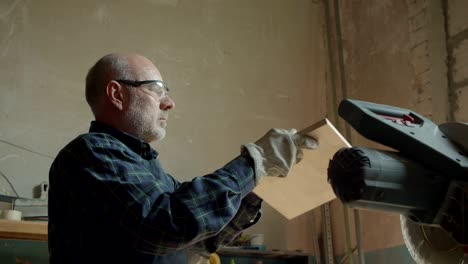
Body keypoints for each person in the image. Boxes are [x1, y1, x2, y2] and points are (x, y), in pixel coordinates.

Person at [48, 53, 318, 264]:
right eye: (156, 90)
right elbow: (167, 225)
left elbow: (201, 240)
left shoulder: (150, 171)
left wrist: (257, 187)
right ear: (117, 94)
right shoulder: (91, 152)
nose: (169, 103)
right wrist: (254, 162)